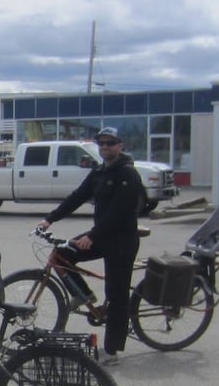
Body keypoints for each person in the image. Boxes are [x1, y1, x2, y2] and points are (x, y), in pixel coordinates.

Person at [38, 127, 143, 364]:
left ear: (120, 145)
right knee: (62, 254)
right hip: (102, 235)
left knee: (116, 295)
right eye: (101, 143)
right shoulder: (99, 172)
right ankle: (83, 295)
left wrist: (92, 235)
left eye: (110, 143)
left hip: (121, 240)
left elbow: (119, 211)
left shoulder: (127, 174)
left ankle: (112, 350)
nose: (105, 147)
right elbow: (77, 197)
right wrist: (50, 218)